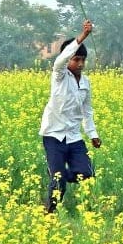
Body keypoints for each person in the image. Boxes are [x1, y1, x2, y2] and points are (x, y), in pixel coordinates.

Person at [40, 19, 100, 214]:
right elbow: (60, 59)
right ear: (68, 60)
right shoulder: (59, 75)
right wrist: (82, 36)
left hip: (74, 137)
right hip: (53, 135)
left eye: (83, 60)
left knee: (87, 173)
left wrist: (93, 134)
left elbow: (87, 110)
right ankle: (49, 213)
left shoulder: (86, 82)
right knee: (58, 182)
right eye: (76, 59)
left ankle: (57, 174)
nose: (80, 64)